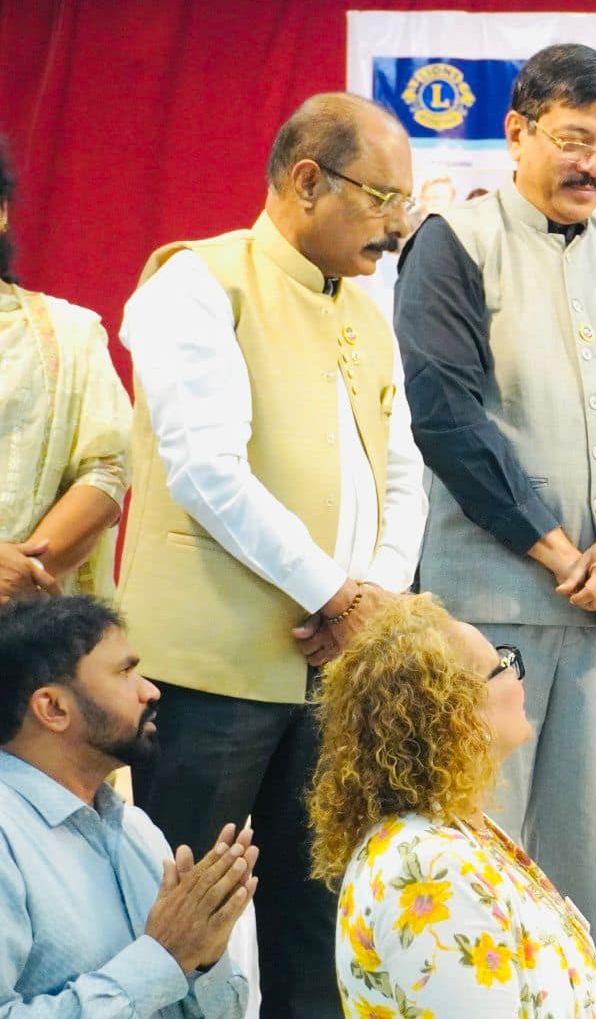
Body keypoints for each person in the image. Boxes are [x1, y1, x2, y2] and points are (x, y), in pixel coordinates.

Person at [118, 92, 428, 1018]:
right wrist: (336, 593)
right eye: (382, 198)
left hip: (338, 676)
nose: (397, 227)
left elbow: (404, 476)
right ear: (307, 180)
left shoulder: (367, 316)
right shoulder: (198, 283)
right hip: (210, 679)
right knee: (181, 931)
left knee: (321, 934)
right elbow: (206, 470)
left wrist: (373, 601)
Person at [392, 42, 596, 944]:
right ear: (518, 132)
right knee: (473, 860)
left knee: (577, 875)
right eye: (574, 141)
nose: (594, 166)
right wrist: (570, 558)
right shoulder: (454, 244)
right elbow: (448, 421)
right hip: (487, 614)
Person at [308, 594, 596, 1018]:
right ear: (454, 710)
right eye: (501, 665)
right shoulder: (430, 869)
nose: (518, 676)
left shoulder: (451, 837)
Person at [0, 596, 256, 1017]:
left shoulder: (136, 828)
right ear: (53, 708)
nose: (150, 691)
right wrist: (163, 958)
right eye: (124, 672)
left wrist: (204, 960)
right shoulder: (7, 837)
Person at [0, 139, 132, 603]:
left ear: (2, 212)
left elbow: (107, 469)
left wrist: (22, 575)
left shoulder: (70, 333)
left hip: (30, 623)